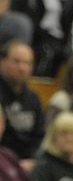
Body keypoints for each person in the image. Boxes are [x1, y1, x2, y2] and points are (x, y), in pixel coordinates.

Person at [0, 40, 44, 168]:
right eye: (16, 61)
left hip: (28, 164)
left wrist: (33, 160)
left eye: (27, 63)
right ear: (2, 61)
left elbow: (40, 136)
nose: (22, 68)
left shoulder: (33, 98)